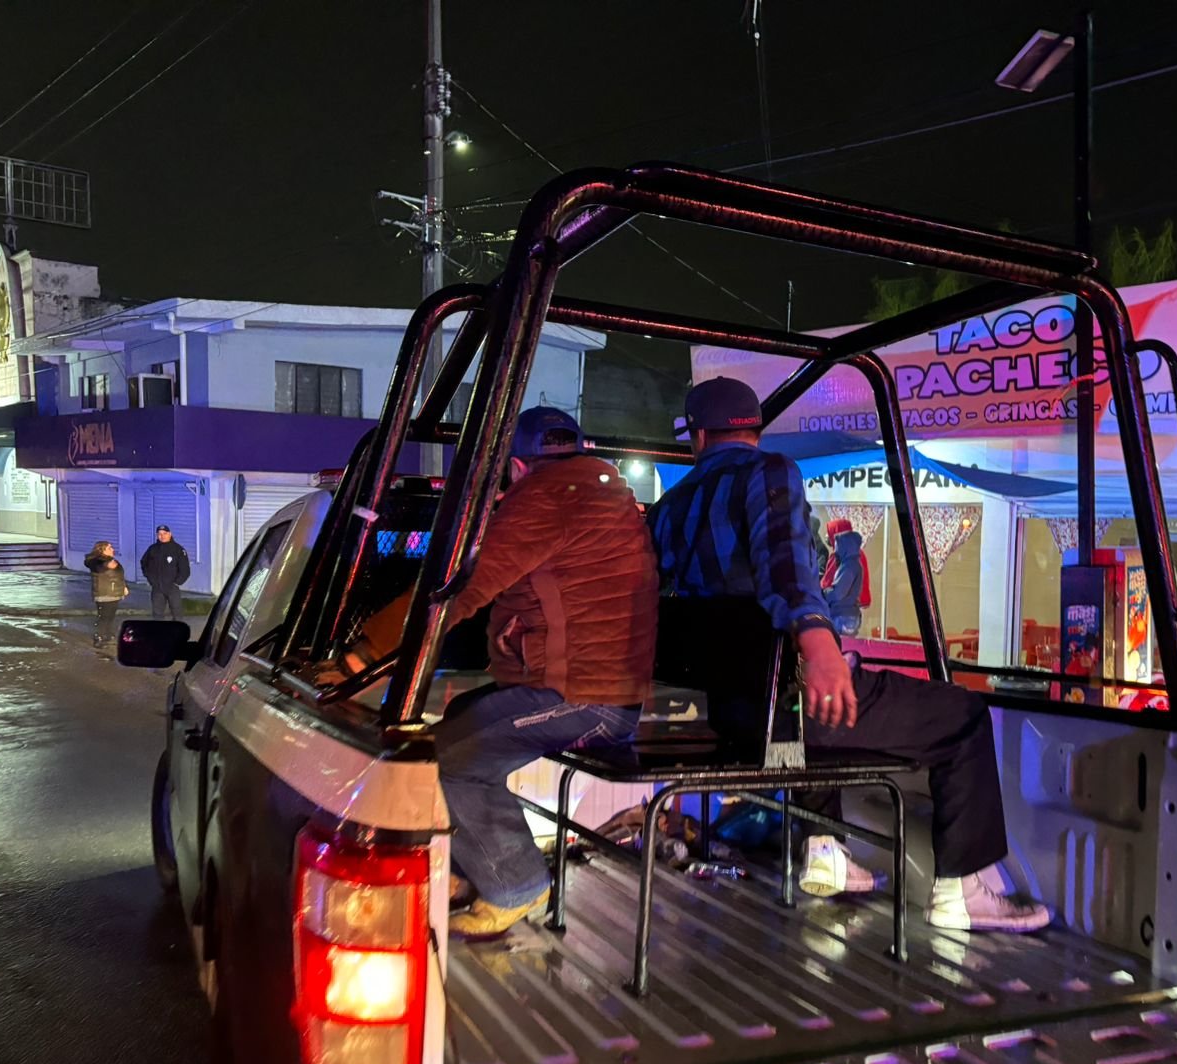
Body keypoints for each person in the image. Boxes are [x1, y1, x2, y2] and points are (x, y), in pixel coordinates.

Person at [649, 377, 1050, 933]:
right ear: (755, 430)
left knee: (812, 711)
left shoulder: (670, 508)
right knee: (959, 716)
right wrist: (816, 640)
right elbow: (786, 566)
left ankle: (825, 851)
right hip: (784, 703)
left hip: (735, 714)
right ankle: (966, 888)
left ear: (697, 436)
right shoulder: (768, 472)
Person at [333, 407, 658, 939]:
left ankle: (516, 885)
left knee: (446, 758)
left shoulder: (545, 500)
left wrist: (362, 655)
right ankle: (469, 869)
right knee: (460, 719)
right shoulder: (594, 494)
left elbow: (457, 588)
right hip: (593, 688)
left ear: (516, 466)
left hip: (584, 697)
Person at [820, 518, 870, 636]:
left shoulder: (840, 558)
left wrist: (821, 592)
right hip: (854, 609)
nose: (828, 538)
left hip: (840, 612)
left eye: (831, 533)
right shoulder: (858, 554)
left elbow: (828, 584)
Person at [84, 541, 129, 649]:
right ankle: (99, 637)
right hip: (104, 593)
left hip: (114, 593)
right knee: (104, 617)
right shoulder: (96, 560)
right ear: (102, 550)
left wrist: (124, 587)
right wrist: (106, 565)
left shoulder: (112, 560)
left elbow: (118, 575)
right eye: (109, 548)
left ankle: (107, 635)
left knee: (110, 617)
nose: (112, 549)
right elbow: (96, 566)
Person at [140, 525, 190, 620]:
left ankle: (176, 632)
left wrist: (177, 582)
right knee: (157, 613)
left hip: (172, 587)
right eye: (159, 534)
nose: (162, 536)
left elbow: (185, 569)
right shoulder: (153, 549)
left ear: (170, 534)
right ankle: (160, 632)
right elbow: (144, 563)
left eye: (165, 533)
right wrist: (150, 578)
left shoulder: (178, 549)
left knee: (177, 612)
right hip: (157, 587)